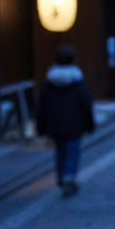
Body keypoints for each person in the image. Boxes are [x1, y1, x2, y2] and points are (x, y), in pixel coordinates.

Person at [36, 45, 96, 197]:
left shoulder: (49, 83)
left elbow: (42, 106)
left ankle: (61, 176)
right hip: (75, 124)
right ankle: (69, 177)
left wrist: (41, 126)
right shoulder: (78, 82)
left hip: (55, 124)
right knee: (73, 152)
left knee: (60, 151)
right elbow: (86, 105)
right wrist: (90, 124)